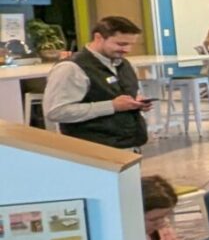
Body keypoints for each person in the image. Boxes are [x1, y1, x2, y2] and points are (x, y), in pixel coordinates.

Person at [43, 15, 151, 149]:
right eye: (121, 44)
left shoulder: (124, 64)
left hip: (128, 146)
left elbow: (117, 95)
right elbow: (56, 112)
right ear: (98, 37)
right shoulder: (71, 68)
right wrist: (112, 106)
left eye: (131, 45)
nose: (127, 50)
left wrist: (135, 102)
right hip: (92, 149)